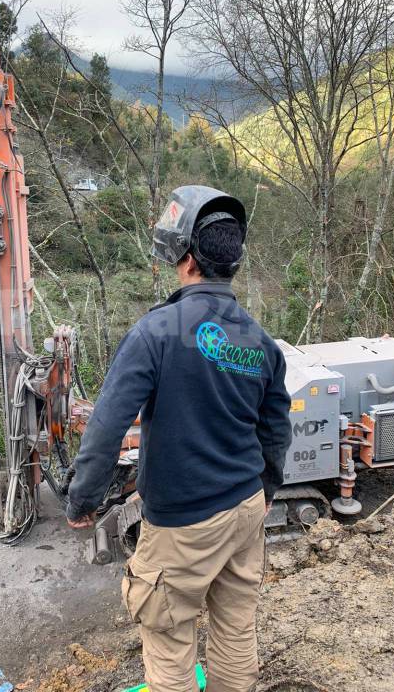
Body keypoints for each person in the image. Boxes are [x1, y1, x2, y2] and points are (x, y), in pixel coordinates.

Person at [66, 185, 292, 692]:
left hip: (184, 522)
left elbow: (106, 426)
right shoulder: (260, 340)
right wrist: (262, 495)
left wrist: (83, 499)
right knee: (236, 629)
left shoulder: (157, 333)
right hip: (245, 507)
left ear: (184, 258)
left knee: (169, 640)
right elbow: (276, 430)